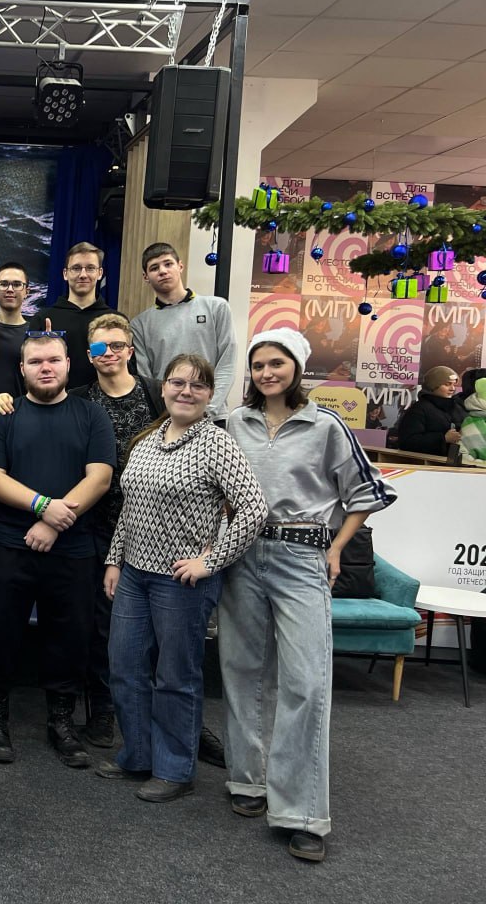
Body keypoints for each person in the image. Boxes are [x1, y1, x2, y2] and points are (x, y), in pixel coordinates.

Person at [223, 328, 396, 862]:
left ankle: (300, 813)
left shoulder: (326, 426)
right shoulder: (235, 423)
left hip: (301, 557)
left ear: (296, 368)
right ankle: (248, 780)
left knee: (306, 682)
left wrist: (338, 547)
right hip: (242, 556)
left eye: (276, 364)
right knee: (242, 670)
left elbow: (367, 492)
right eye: (258, 365)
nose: (266, 373)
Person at [99, 354, 267, 802]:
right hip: (134, 575)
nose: (186, 392)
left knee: (175, 676)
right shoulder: (147, 439)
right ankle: (138, 755)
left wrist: (211, 562)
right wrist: (115, 560)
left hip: (182, 582)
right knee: (125, 668)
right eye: (177, 382)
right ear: (164, 388)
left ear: (210, 394)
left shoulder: (216, 443)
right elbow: (131, 507)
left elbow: (254, 509)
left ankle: (175, 769)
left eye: (198, 385)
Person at [0, 332, 115, 768]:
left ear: (69, 364)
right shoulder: (4, 414)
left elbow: (100, 478)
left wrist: (54, 521)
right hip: (8, 542)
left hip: (73, 546)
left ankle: (62, 720)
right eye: (35, 362)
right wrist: (42, 506)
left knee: (70, 635)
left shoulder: (92, 414)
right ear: (22, 369)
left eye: (54, 359)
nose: (46, 368)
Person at [68, 314, 164, 749]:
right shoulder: (78, 400)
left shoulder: (157, 395)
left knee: (160, 627)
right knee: (100, 626)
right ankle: (103, 710)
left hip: (153, 528)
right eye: (98, 348)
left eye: (116, 346)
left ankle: (168, 713)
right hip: (96, 527)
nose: (107, 354)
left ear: (130, 350)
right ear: (88, 355)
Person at [129, 243, 237, 423]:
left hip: (211, 417)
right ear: (146, 277)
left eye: (168, 264)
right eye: (154, 268)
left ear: (180, 266)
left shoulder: (216, 307)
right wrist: (168, 413)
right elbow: (147, 379)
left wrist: (207, 410)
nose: (163, 271)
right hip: (167, 418)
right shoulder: (139, 324)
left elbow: (227, 362)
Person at [30, 242, 127, 390]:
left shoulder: (116, 320)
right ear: (65, 274)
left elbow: (128, 370)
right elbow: (30, 368)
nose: (83, 275)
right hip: (56, 399)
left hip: (104, 400)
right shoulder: (43, 319)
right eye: (76, 268)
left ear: (100, 273)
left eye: (90, 268)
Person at [397, 365, 465, 458]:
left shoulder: (455, 407)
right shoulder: (419, 409)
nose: (452, 388)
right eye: (447, 384)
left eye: (454, 384)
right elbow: (407, 442)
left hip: (450, 463)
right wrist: (443, 438)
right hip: (425, 464)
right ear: (433, 385)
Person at [0, 262, 30, 398]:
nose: (10, 289)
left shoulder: (34, 334)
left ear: (27, 292)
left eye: (17, 284)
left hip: (22, 408)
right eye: (4, 284)